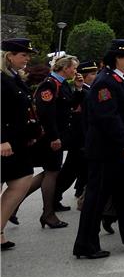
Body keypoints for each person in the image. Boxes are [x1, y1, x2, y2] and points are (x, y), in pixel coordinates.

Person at [73, 39, 124, 259]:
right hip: (106, 151)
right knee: (96, 198)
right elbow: (107, 117)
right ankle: (86, 244)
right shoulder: (105, 82)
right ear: (117, 58)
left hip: (119, 150)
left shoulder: (119, 79)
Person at [24, 54, 79, 229]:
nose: (75, 71)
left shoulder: (62, 84)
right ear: (64, 68)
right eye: (73, 67)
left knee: (50, 172)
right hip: (50, 137)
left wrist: (78, 89)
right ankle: (48, 214)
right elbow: (46, 114)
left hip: (58, 136)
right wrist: (54, 137)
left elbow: (69, 106)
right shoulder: (50, 84)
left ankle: (15, 204)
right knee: (52, 172)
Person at [1, 38, 39, 251]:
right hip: (4, 140)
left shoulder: (14, 78)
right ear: (9, 56)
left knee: (23, 179)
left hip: (18, 140)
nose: (27, 59)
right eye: (23, 55)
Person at [55, 60, 97, 211]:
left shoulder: (87, 91)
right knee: (69, 171)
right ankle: (54, 198)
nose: (96, 76)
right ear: (84, 77)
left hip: (83, 138)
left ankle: (79, 191)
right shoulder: (85, 93)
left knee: (80, 169)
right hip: (80, 138)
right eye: (92, 74)